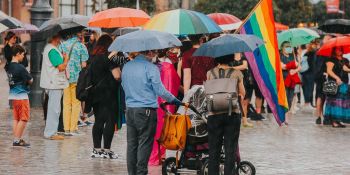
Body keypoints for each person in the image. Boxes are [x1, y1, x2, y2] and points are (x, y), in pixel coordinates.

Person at [122, 50, 182, 175]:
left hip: (130, 110)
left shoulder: (127, 66)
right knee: (145, 143)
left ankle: (132, 173)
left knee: (132, 144)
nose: (155, 55)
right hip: (146, 110)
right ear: (149, 53)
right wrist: (175, 100)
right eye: (153, 52)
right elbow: (160, 90)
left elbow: (123, 85)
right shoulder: (150, 67)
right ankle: (141, 172)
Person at [206, 54, 245, 175]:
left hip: (214, 113)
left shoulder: (210, 73)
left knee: (213, 150)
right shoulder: (237, 73)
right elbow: (242, 93)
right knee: (230, 149)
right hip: (232, 114)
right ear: (231, 58)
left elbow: (207, 90)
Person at [89, 35, 120, 159]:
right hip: (109, 94)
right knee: (110, 121)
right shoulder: (109, 59)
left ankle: (96, 150)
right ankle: (107, 150)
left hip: (96, 93)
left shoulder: (94, 58)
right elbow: (117, 76)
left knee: (99, 121)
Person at [148, 49, 181, 166]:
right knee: (164, 128)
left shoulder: (151, 65)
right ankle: (161, 154)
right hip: (167, 101)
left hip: (153, 102)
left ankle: (153, 156)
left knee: (153, 129)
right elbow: (175, 82)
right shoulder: (169, 65)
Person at [59, 31, 89, 136]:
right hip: (77, 79)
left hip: (65, 77)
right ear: (79, 36)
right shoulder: (81, 47)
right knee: (76, 103)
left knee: (66, 103)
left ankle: (66, 129)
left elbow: (60, 60)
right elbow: (84, 65)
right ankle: (73, 128)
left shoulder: (62, 45)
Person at [40, 35, 69, 140]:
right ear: (55, 38)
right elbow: (61, 67)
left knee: (54, 108)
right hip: (54, 83)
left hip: (54, 83)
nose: (61, 38)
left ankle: (52, 131)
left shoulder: (51, 49)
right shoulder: (52, 50)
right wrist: (66, 59)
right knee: (54, 109)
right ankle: (51, 133)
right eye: (59, 36)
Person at [7, 45, 33, 147]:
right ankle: (16, 140)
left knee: (16, 118)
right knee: (24, 118)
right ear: (17, 54)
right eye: (23, 54)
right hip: (22, 96)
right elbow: (30, 80)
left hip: (13, 96)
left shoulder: (9, 66)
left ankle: (18, 138)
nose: (23, 56)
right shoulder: (20, 67)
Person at [324, 47, 350, 128]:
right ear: (334, 50)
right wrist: (337, 78)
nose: (339, 51)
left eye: (340, 49)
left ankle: (339, 120)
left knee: (342, 102)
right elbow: (329, 71)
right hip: (334, 84)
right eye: (337, 49)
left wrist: (348, 69)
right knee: (334, 102)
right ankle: (334, 121)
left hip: (344, 84)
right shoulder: (331, 59)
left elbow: (348, 69)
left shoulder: (345, 60)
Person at [229, 53, 253, 127]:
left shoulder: (243, 56)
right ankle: (238, 120)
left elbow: (245, 66)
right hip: (234, 81)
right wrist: (239, 67)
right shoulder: (230, 56)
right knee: (235, 101)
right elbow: (229, 67)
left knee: (244, 102)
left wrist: (233, 68)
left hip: (245, 81)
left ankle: (244, 121)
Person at [314, 35, 332, 125]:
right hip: (323, 76)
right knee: (321, 96)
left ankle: (320, 116)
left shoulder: (321, 51)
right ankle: (319, 116)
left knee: (322, 96)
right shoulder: (323, 52)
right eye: (328, 39)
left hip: (321, 76)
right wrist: (324, 73)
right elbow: (320, 66)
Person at [280, 41, 301, 117]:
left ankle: (286, 114)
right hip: (284, 79)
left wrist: (294, 70)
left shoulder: (293, 56)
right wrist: (292, 65)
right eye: (287, 47)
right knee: (284, 97)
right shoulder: (280, 56)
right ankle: (283, 115)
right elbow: (282, 66)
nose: (289, 48)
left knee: (290, 98)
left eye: (290, 47)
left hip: (292, 80)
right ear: (283, 48)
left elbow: (299, 66)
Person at [301, 42, 317, 111]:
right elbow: (313, 65)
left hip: (304, 73)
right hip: (310, 73)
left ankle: (308, 102)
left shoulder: (306, 53)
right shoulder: (313, 53)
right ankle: (308, 103)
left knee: (306, 88)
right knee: (309, 88)